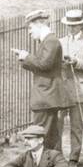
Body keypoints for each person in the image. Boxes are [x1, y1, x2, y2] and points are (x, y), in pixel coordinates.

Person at [14, 9, 74, 153]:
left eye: (30, 27)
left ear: (39, 24)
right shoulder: (48, 41)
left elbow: (44, 64)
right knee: (50, 135)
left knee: (39, 133)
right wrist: (25, 59)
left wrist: (26, 56)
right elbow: (42, 65)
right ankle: (54, 166)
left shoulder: (51, 41)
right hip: (47, 96)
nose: (29, 32)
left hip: (46, 97)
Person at [59, 10, 83, 166]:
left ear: (81, 25)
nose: (72, 28)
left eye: (75, 25)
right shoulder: (61, 42)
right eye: (69, 25)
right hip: (63, 88)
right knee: (58, 124)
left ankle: (74, 158)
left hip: (80, 89)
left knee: (76, 125)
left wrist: (76, 62)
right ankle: (58, 157)